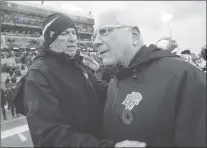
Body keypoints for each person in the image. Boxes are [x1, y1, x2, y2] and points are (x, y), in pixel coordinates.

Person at [92, 9, 206, 147]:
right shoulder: (115, 81)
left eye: (104, 31)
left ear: (134, 35)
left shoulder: (184, 76)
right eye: (94, 35)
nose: (96, 41)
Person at [24, 13, 113, 147]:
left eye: (74, 33)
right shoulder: (39, 73)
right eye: (64, 33)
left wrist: (124, 79)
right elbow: (49, 136)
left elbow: (100, 91)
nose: (72, 39)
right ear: (50, 39)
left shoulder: (77, 64)